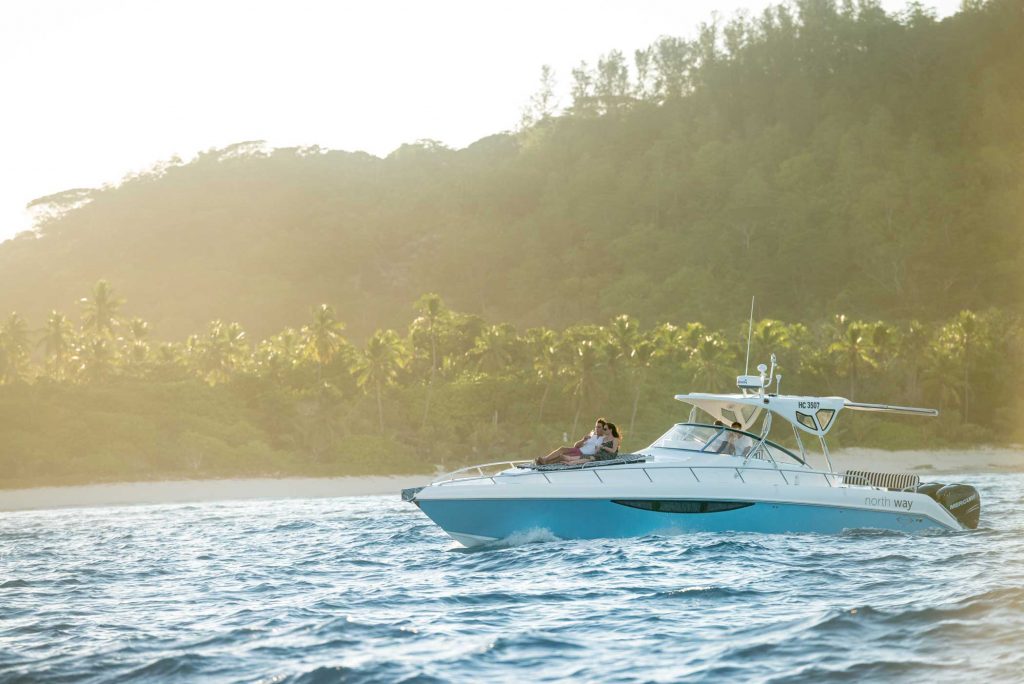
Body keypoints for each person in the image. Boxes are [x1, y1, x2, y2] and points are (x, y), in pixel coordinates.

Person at [537, 419, 610, 465]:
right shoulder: (592, 435)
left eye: (599, 427)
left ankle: (545, 463)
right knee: (562, 448)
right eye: (596, 427)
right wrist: (583, 440)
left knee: (561, 457)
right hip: (578, 450)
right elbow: (576, 446)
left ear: (603, 428)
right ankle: (545, 459)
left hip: (583, 455)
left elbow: (603, 450)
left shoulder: (604, 439)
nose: (596, 429)